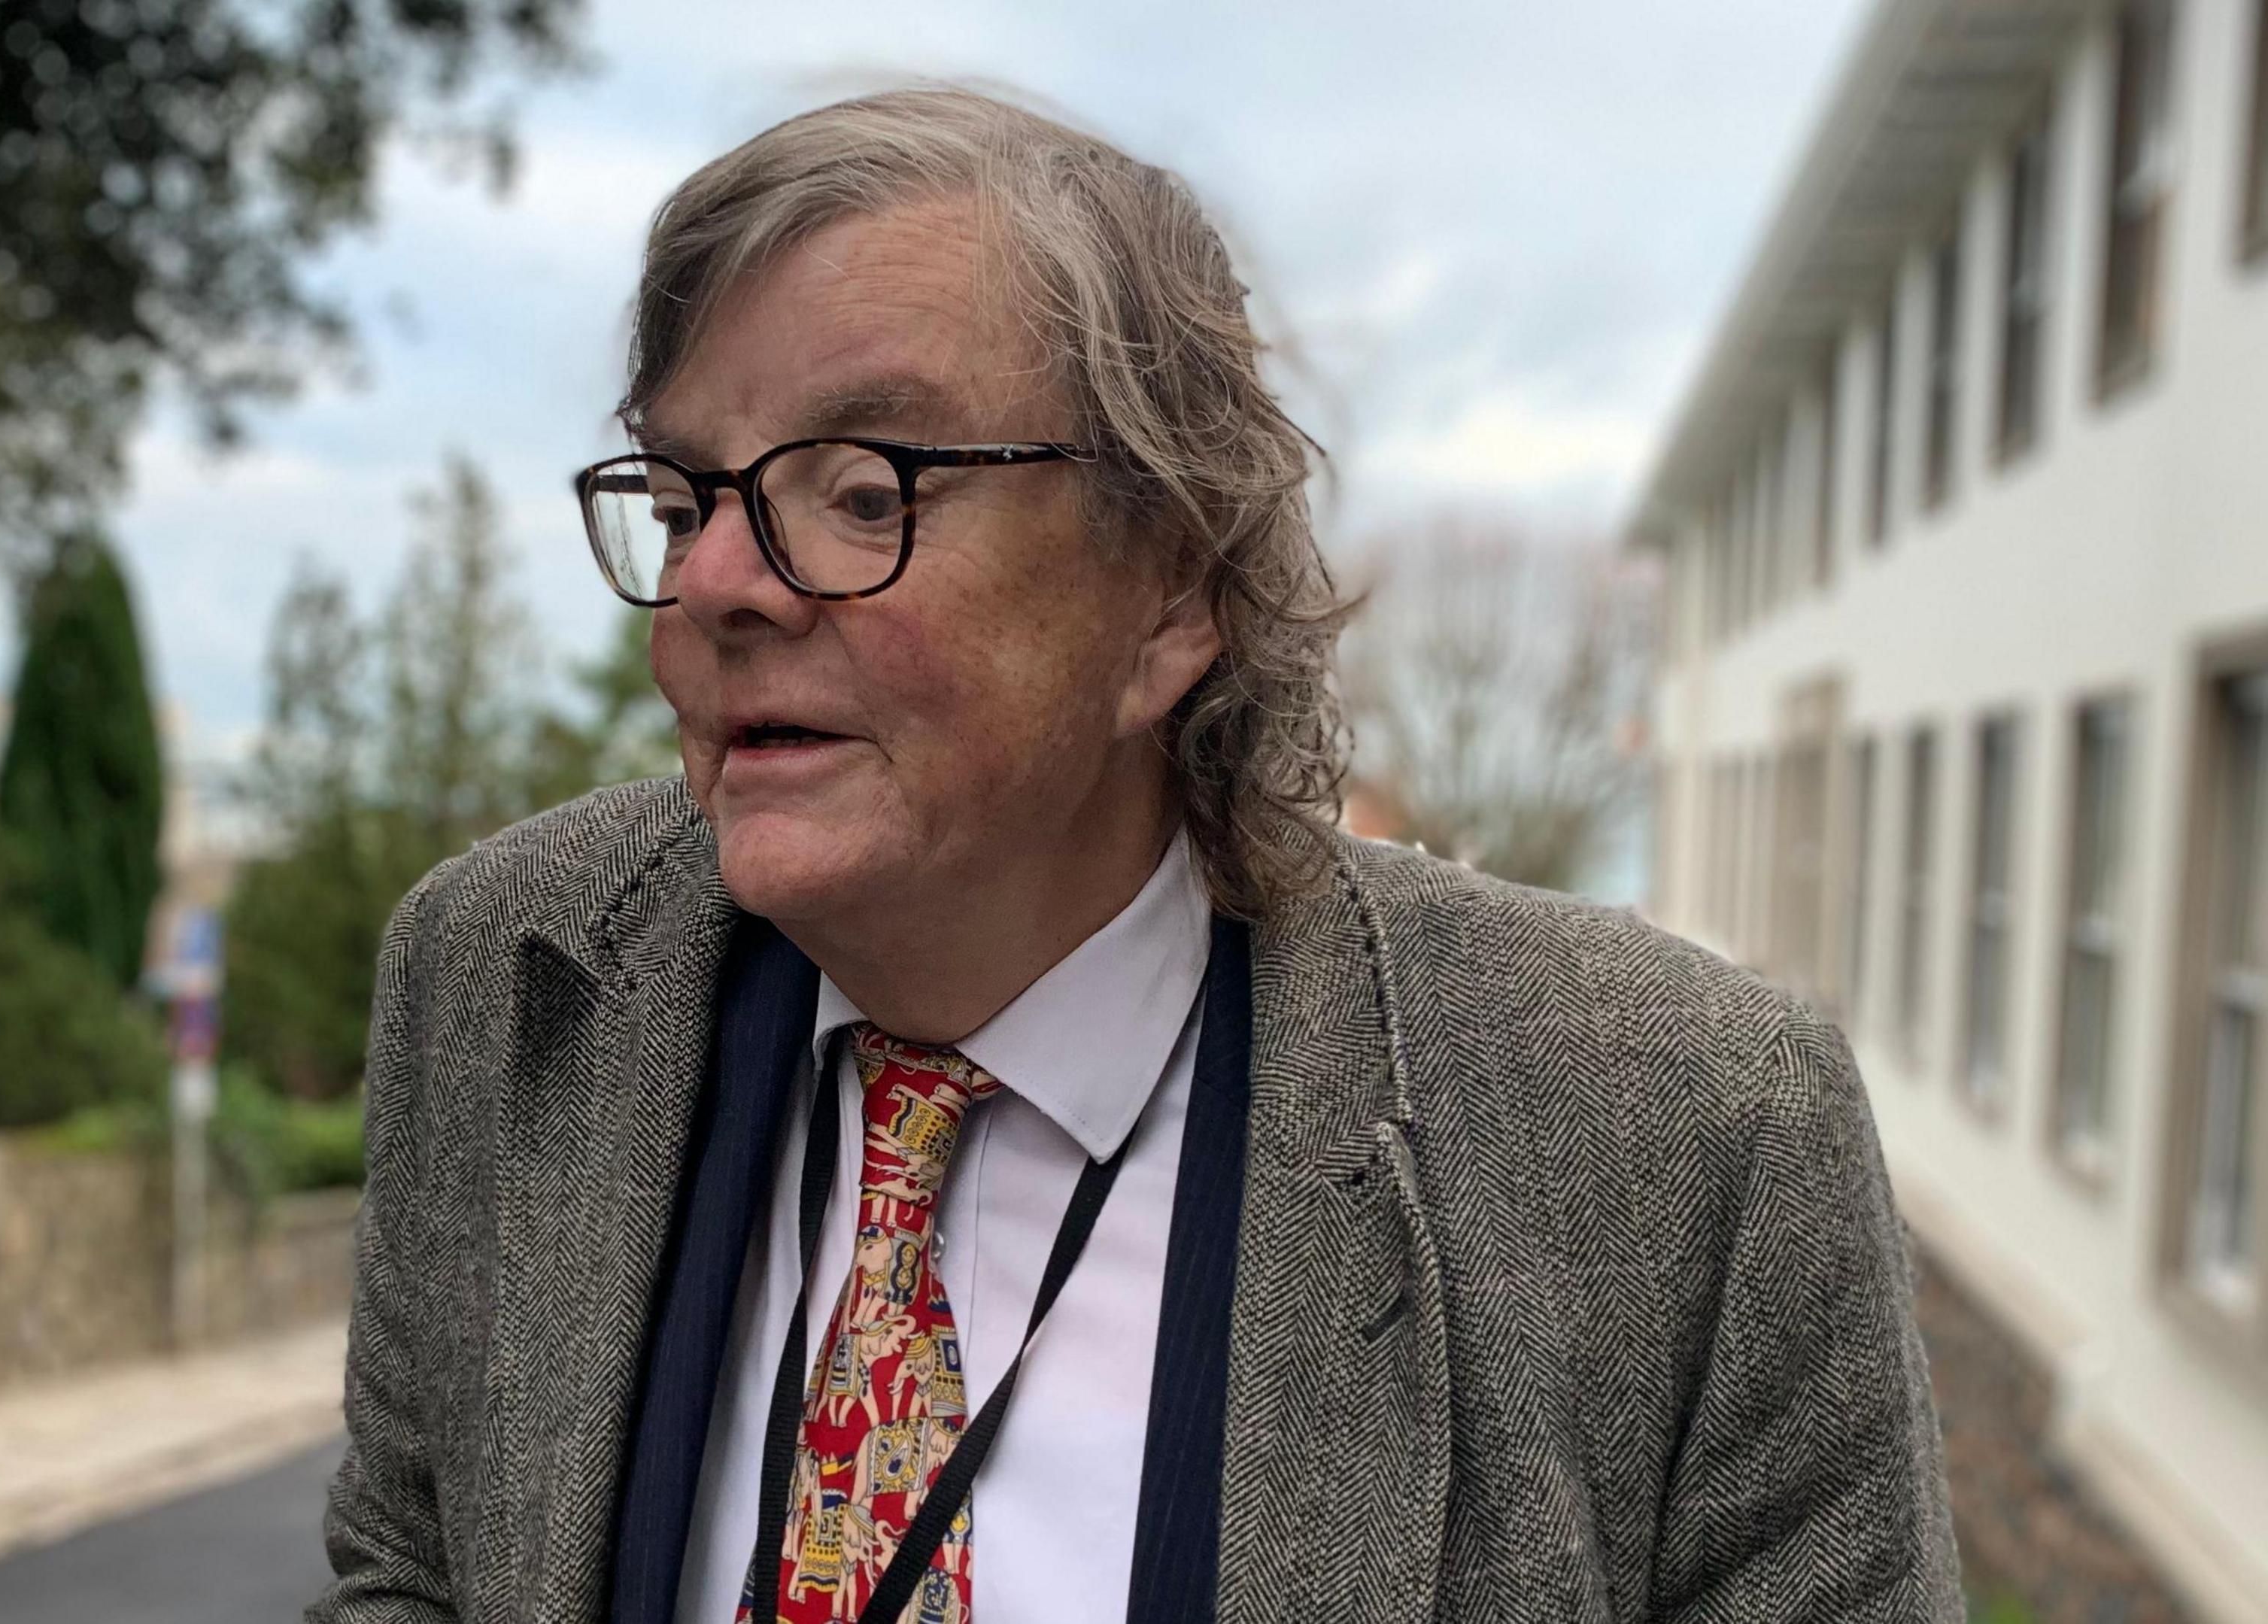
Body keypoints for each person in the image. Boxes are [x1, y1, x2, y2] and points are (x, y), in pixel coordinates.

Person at [310, 86, 1958, 1624]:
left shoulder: (1688, 1137)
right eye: (684, 502)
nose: (721, 584)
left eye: (865, 491)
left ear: (1173, 588)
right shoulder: (501, 977)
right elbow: (406, 1570)